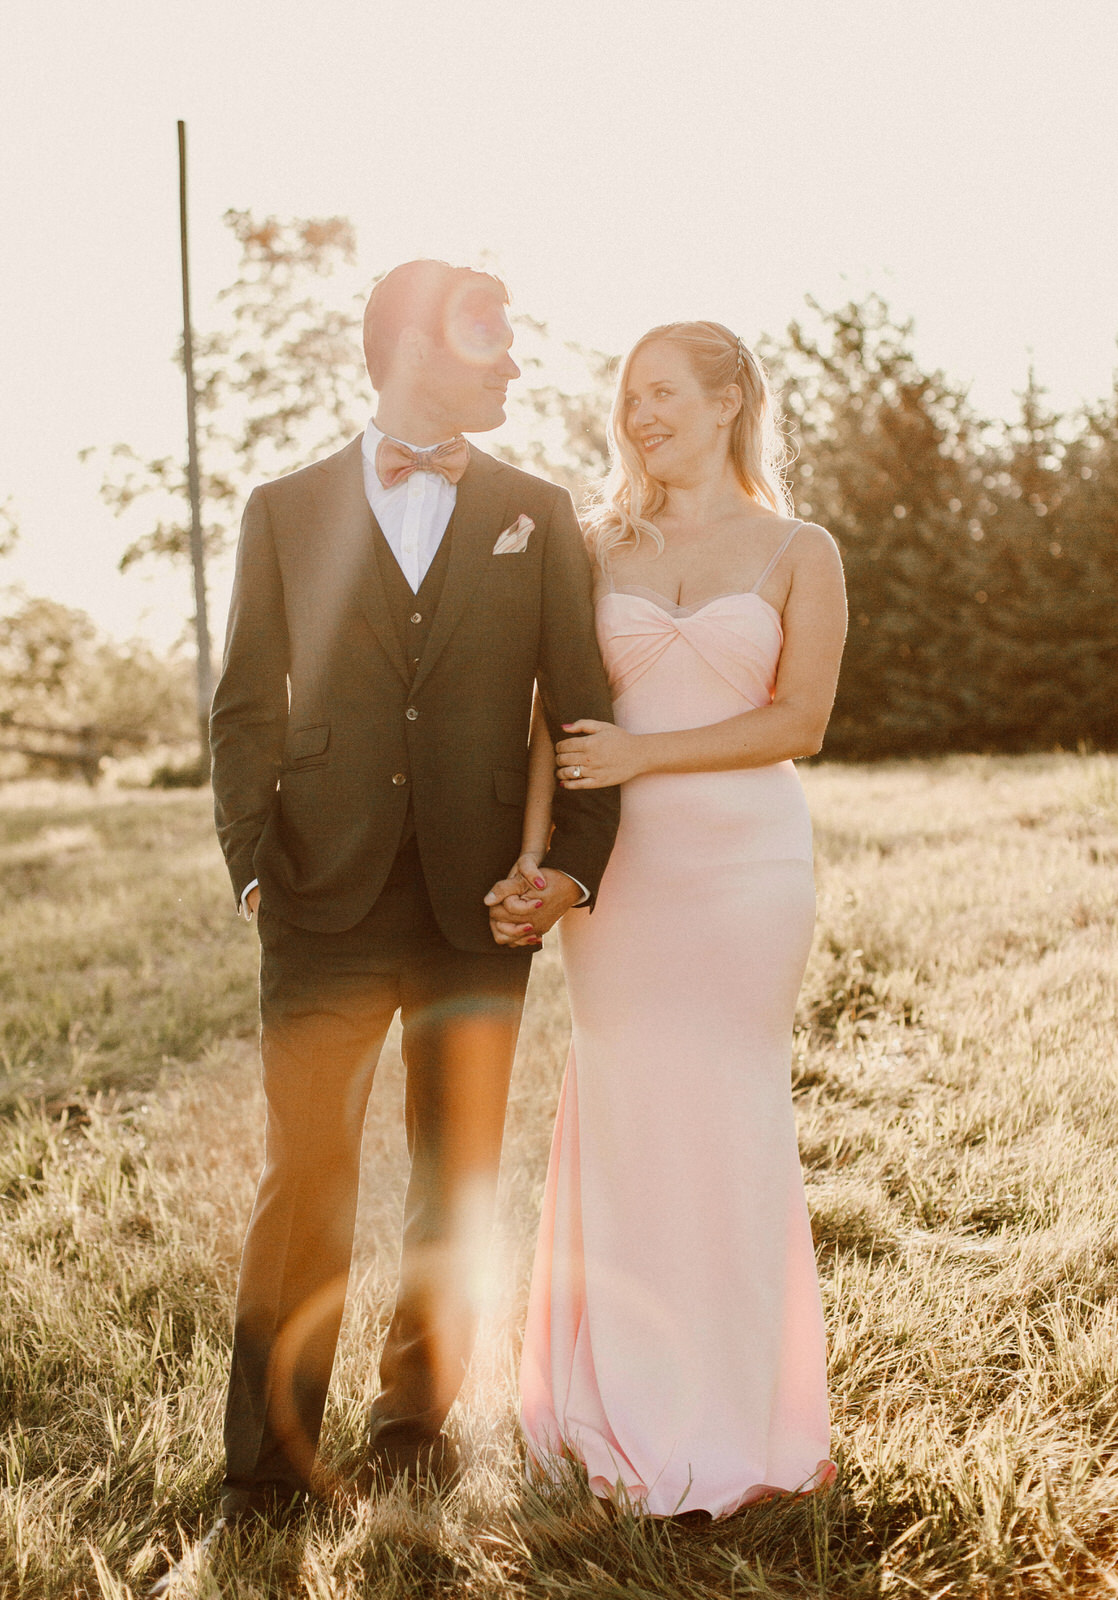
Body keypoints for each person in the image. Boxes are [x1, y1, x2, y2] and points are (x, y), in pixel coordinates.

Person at [208, 260, 620, 1523]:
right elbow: (244, 704)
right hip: (317, 895)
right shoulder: (282, 509)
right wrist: (251, 865)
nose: (512, 362)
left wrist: (566, 869)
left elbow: (579, 706)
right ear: (408, 347)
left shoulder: (536, 511)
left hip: (478, 903)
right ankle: (268, 1464)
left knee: (457, 1174)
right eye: (487, 337)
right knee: (303, 1178)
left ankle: (410, 1427)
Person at [491, 320, 847, 1518]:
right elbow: (550, 720)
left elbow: (800, 720)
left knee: (730, 1114)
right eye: (627, 399)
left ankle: (744, 1418)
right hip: (621, 876)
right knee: (630, 1108)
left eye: (660, 394)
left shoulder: (799, 549)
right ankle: (619, 1406)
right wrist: (537, 856)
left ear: (726, 398)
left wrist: (645, 753)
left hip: (747, 868)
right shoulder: (595, 547)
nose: (638, 417)